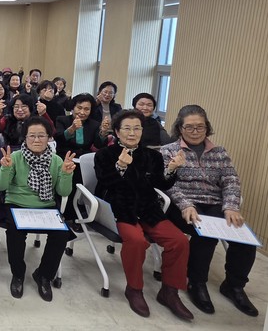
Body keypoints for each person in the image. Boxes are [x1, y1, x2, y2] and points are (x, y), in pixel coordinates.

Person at [94, 110, 193, 320]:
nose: (132, 133)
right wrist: (120, 166)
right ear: (117, 132)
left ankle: (169, 291)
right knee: (137, 241)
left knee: (179, 241)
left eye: (137, 128)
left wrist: (171, 169)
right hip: (120, 208)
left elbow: (161, 184)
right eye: (127, 128)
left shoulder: (152, 156)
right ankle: (134, 289)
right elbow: (105, 183)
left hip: (148, 208)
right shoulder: (104, 154)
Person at [161, 105, 259, 317]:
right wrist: (186, 204)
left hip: (215, 204)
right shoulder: (168, 150)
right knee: (205, 234)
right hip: (183, 204)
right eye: (189, 127)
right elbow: (167, 184)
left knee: (244, 238)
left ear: (207, 127)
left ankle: (234, 286)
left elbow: (231, 180)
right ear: (180, 128)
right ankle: (196, 282)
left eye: (200, 127)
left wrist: (231, 206)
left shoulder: (219, 152)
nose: (195, 131)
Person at [0, 116, 76, 302]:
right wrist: (5, 169)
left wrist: (66, 174)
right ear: (25, 137)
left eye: (41, 135)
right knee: (14, 233)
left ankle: (44, 275)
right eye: (32, 136)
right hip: (17, 204)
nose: (37, 140)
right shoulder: (15, 157)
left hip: (46, 206)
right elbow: (0, 186)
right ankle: (18, 274)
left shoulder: (56, 160)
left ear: (49, 138)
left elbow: (63, 192)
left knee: (61, 234)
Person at [54, 93, 108, 222]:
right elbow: (59, 139)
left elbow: (99, 145)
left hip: (83, 160)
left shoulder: (94, 124)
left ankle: (83, 214)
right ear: (73, 107)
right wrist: (72, 129)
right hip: (65, 157)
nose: (82, 112)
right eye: (79, 108)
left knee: (92, 180)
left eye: (86, 109)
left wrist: (103, 132)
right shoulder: (62, 120)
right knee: (71, 181)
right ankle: (66, 215)